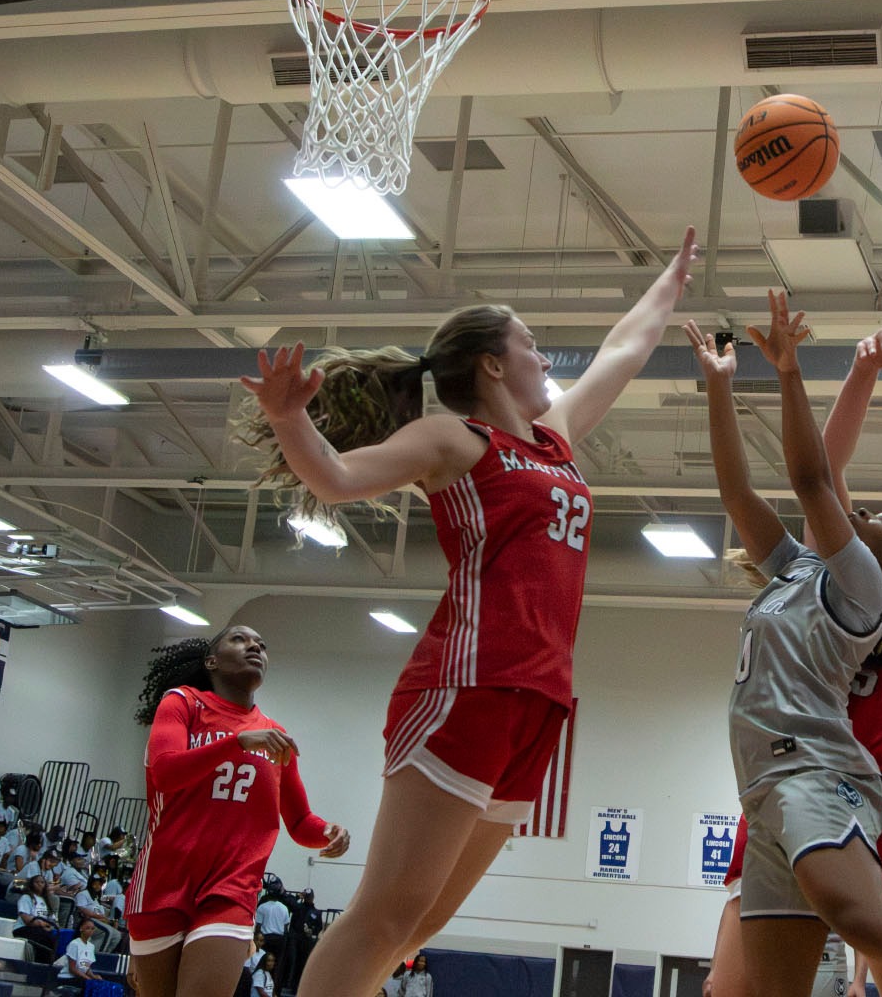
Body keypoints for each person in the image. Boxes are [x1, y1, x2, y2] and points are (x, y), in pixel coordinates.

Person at [241, 227, 701, 997]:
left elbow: (622, 352)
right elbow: (337, 477)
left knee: (419, 927)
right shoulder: (453, 438)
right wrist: (292, 419)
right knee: (385, 915)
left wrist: (672, 282)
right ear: (492, 363)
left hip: (540, 699)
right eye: (532, 343)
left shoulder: (552, 443)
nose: (547, 357)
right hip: (466, 685)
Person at [686, 295, 882, 997]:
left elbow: (812, 476)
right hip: (763, 790)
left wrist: (790, 371)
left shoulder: (860, 587)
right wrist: (721, 385)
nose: (867, 512)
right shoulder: (795, 567)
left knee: (861, 918)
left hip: (819, 776)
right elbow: (734, 492)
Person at [124, 626, 349, 997]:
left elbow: (298, 822)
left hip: (232, 887)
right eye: (241, 640)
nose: (255, 647)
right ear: (211, 661)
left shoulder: (274, 734)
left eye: (262, 644)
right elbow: (164, 773)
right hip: (162, 882)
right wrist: (236, 742)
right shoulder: (182, 703)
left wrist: (328, 831)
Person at [71, 872, 120, 954]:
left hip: (98, 922)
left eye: (99, 884)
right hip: (86, 921)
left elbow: (102, 910)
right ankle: (96, 954)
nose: (97, 886)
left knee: (117, 935)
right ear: (90, 884)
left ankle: (106, 954)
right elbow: (82, 910)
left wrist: (109, 920)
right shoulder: (83, 894)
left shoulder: (96, 897)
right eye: (95, 884)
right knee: (107, 931)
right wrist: (102, 918)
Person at [15, 873, 60, 962]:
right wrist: (43, 924)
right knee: (44, 939)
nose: (40, 884)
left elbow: (53, 920)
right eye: (37, 882)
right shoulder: (26, 898)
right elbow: (26, 919)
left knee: (57, 939)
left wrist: (50, 927)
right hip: (23, 929)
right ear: (31, 884)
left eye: (42, 882)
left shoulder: (46, 900)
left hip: (41, 929)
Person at [56, 917, 104, 995]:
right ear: (81, 929)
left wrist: (93, 976)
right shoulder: (75, 944)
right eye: (88, 928)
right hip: (68, 978)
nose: (90, 931)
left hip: (80, 978)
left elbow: (85, 965)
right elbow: (72, 969)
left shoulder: (91, 946)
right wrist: (87, 979)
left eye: (92, 929)